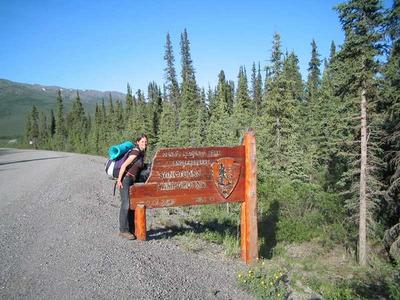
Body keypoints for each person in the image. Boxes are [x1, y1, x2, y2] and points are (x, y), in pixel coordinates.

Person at [116, 134, 148, 240]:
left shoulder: (142, 153)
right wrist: (119, 180)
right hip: (125, 179)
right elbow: (124, 165)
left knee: (131, 204)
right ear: (137, 142)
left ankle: (131, 228)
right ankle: (123, 230)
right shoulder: (136, 152)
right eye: (142, 141)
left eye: (146, 142)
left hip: (132, 180)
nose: (144, 143)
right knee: (125, 204)